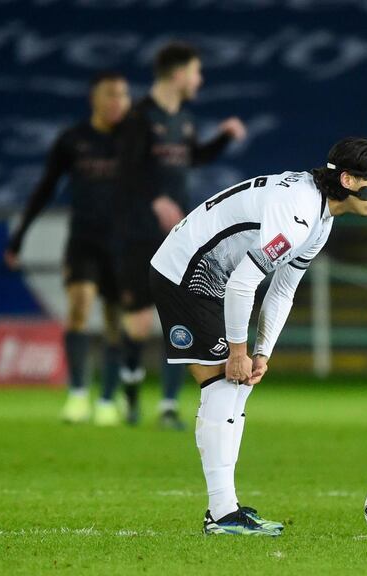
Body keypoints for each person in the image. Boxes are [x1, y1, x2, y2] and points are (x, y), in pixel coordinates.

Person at [149, 137, 367, 535]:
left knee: (233, 386)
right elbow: (245, 282)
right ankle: (223, 515)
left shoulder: (319, 217)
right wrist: (239, 352)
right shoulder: (299, 213)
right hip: (187, 272)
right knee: (225, 382)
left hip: (209, 274)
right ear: (347, 179)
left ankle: (224, 510)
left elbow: (283, 289)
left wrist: (263, 352)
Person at [115, 41, 247, 429]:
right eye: (195, 71)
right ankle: (131, 395)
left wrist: (223, 137)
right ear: (178, 74)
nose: (199, 79)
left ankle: (169, 405)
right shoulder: (138, 119)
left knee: (180, 318)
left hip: (178, 239)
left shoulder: (183, 121)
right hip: (140, 232)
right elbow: (124, 173)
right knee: (139, 323)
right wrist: (155, 200)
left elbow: (196, 157)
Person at [5, 72, 131, 425]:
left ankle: (107, 399)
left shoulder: (136, 141)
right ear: (94, 98)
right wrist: (19, 237)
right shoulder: (73, 140)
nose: (118, 102)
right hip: (84, 240)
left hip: (123, 244)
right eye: (111, 95)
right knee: (78, 308)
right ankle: (77, 395)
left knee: (114, 320)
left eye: (123, 95)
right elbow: (45, 187)